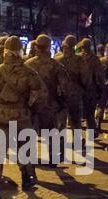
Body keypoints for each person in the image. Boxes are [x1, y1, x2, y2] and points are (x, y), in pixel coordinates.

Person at [0, 36, 47, 199]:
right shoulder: (29, 72)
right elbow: (38, 94)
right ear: (20, 51)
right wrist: (30, 107)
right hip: (21, 116)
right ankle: (26, 178)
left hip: (0, 116)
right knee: (24, 150)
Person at [25, 34, 70, 167]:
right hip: (49, 104)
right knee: (51, 133)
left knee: (30, 133)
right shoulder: (56, 65)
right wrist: (63, 101)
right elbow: (65, 86)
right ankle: (53, 159)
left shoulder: (28, 64)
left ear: (36, 47)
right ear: (49, 47)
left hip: (31, 105)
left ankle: (30, 159)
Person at [54, 35, 84, 131]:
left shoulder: (57, 59)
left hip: (60, 94)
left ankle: (60, 142)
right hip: (74, 94)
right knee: (75, 120)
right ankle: (77, 143)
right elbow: (84, 79)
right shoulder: (80, 60)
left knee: (60, 120)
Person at [76, 38, 105, 136]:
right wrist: (101, 88)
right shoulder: (95, 59)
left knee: (78, 114)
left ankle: (78, 136)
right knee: (90, 113)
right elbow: (100, 75)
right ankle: (91, 132)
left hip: (79, 89)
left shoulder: (77, 58)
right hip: (91, 89)